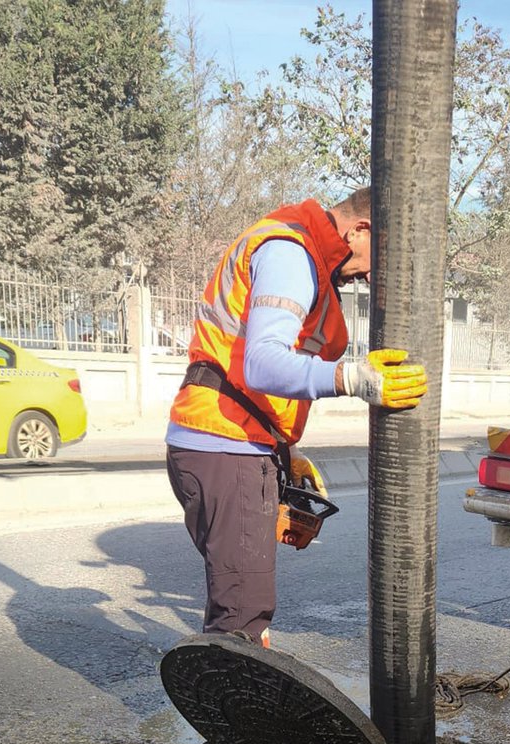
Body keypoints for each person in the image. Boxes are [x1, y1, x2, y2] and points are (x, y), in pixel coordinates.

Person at [166, 187, 427, 646]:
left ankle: (236, 674)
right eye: (377, 261)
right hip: (226, 444)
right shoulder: (291, 252)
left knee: (241, 603)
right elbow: (263, 364)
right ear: (360, 230)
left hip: (233, 440)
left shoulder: (303, 251)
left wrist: (285, 450)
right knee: (241, 615)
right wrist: (353, 379)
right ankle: (235, 688)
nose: (370, 277)